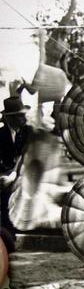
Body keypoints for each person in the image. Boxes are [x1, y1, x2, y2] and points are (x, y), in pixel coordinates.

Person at [0, 97, 33, 251]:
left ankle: (12, 233)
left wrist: (13, 175)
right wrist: (4, 177)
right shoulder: (1, 134)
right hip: (5, 176)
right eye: (20, 115)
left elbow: (26, 157)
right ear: (9, 118)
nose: (24, 118)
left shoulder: (28, 132)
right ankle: (7, 236)